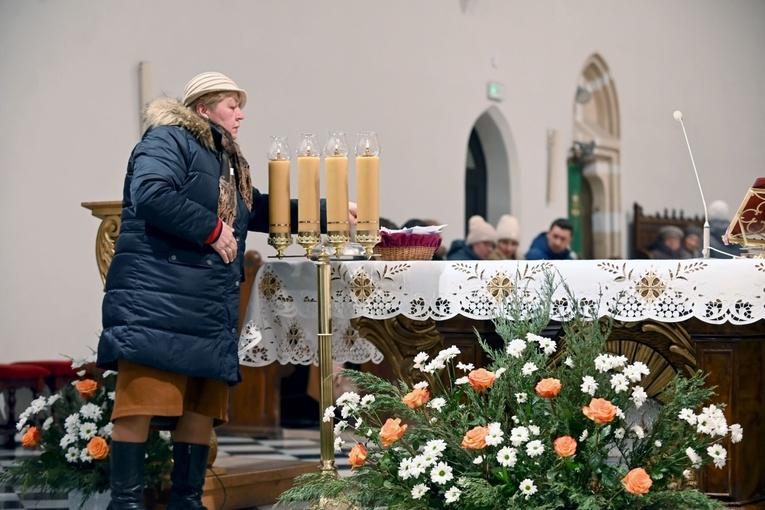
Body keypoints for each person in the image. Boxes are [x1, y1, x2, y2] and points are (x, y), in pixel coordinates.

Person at [96, 71, 351, 510]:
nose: (240, 113)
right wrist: (212, 229)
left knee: (201, 407)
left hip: (207, 305)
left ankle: (187, 501)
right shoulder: (169, 140)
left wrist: (327, 213)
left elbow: (259, 210)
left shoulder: (227, 161)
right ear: (202, 109)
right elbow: (151, 192)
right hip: (159, 300)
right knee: (139, 405)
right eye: (231, 105)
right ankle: (127, 504)